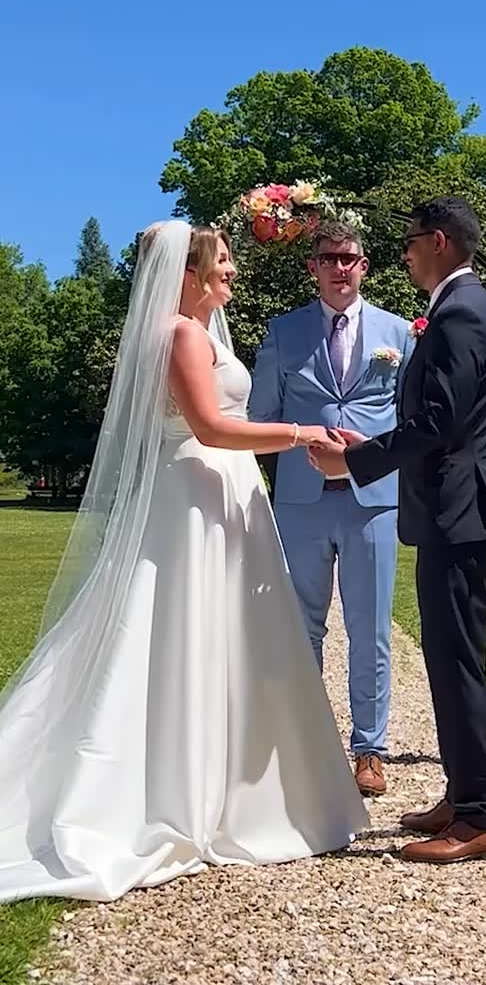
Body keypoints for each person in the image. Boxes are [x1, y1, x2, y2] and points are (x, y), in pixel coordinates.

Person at [0, 221, 367, 904]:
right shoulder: (181, 335)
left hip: (221, 491)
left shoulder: (194, 332)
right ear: (189, 274)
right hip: (195, 493)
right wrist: (300, 433)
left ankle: (232, 784)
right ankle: (179, 789)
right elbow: (210, 427)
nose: (231, 273)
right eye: (222, 263)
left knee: (225, 635)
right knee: (182, 632)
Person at [310, 197, 486, 864]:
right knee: (449, 656)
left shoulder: (459, 315)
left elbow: (439, 423)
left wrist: (353, 460)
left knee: (457, 661)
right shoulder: (468, 308)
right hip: (462, 511)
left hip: (461, 515)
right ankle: (464, 796)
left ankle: (479, 819)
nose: (402, 253)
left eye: (408, 242)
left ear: (436, 241)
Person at [250, 219, 411, 798]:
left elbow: (412, 420)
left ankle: (369, 750)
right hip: (301, 500)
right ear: (312, 266)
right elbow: (259, 419)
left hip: (372, 502)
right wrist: (299, 440)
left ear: (365, 266)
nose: (340, 268)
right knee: (302, 627)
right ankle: (305, 741)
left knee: (369, 630)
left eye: (350, 258)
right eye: (328, 258)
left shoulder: (399, 332)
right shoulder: (282, 332)